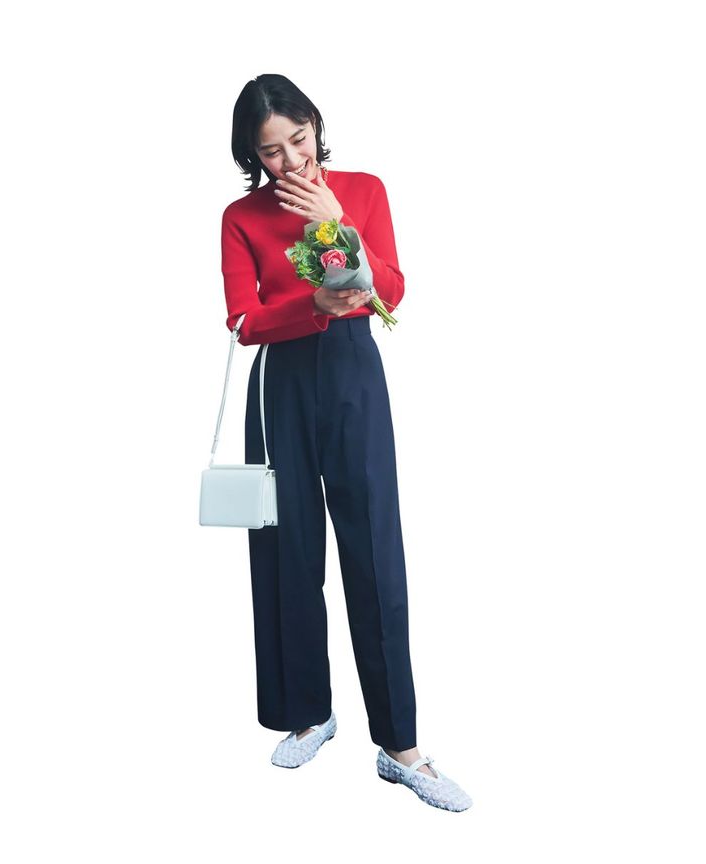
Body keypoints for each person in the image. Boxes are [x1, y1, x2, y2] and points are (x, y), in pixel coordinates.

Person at [220, 73, 472, 812]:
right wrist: (312, 305)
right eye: (271, 152)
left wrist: (337, 223)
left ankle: (401, 746)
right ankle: (308, 711)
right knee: (288, 547)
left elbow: (390, 289)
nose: (291, 161)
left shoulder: (362, 190)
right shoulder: (240, 217)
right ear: (252, 154)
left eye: (298, 140)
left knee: (374, 552)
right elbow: (242, 321)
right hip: (281, 383)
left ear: (315, 127)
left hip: (355, 373)